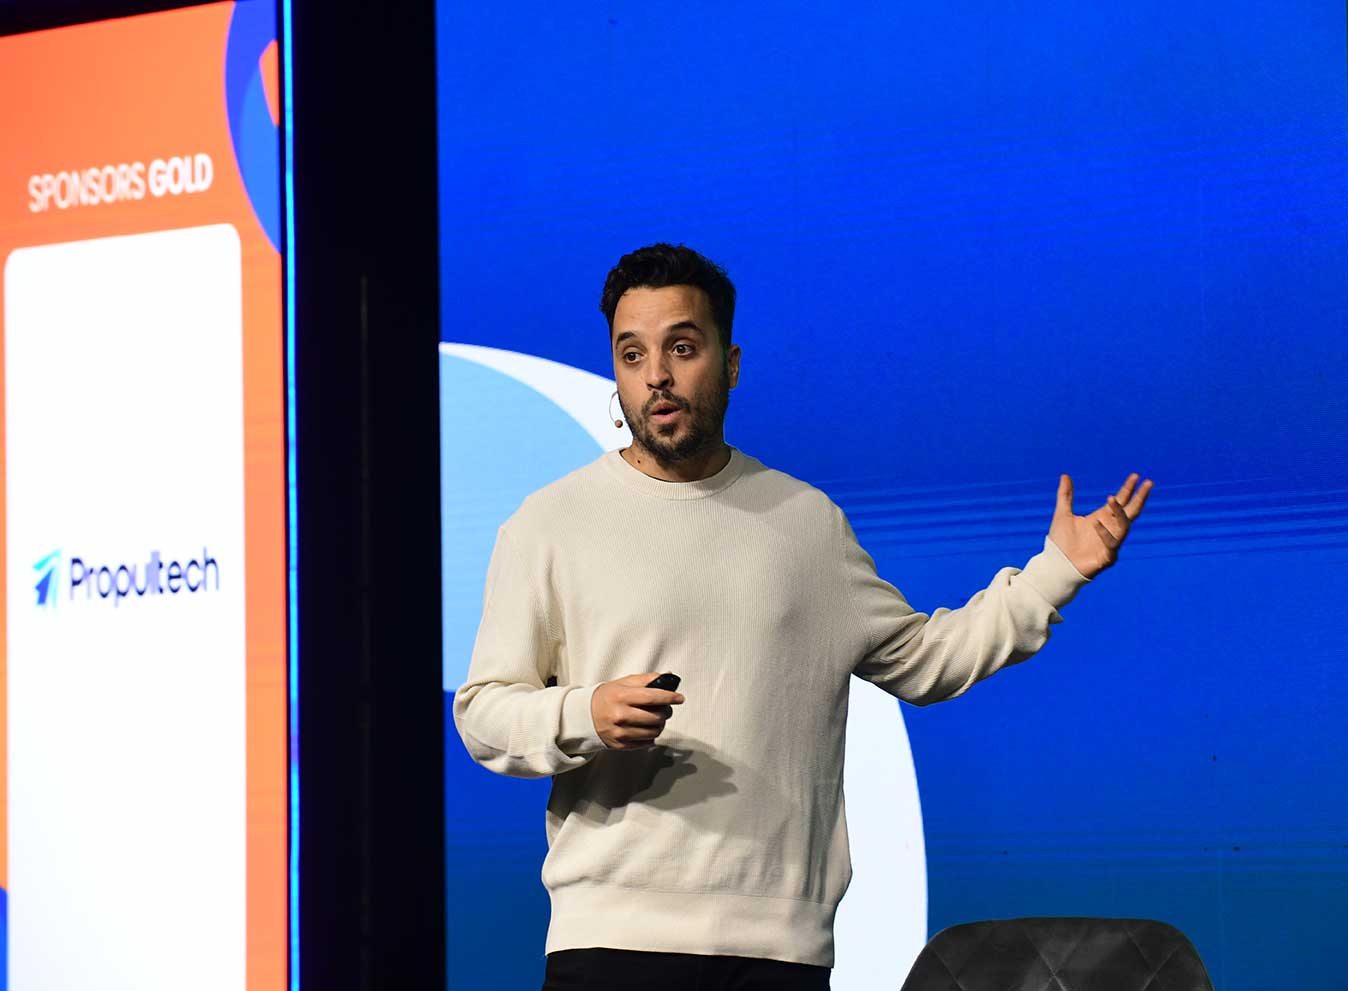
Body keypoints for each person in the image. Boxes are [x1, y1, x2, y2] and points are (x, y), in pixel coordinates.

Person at [453, 243, 1153, 991]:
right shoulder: (551, 523)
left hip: (778, 950)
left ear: (730, 364)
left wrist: (1056, 571)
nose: (656, 374)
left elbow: (926, 660)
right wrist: (585, 713)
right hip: (609, 942)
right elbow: (484, 714)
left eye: (682, 348)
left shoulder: (805, 522)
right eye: (632, 354)